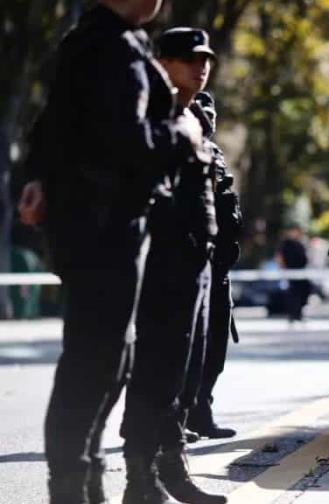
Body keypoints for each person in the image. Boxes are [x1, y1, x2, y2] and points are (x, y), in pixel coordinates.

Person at [17, 1, 205, 503]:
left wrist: (36, 177)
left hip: (100, 224)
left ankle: (85, 486)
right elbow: (127, 144)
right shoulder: (109, 48)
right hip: (103, 227)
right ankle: (73, 491)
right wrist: (182, 133)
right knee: (94, 361)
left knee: (109, 360)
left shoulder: (95, 41)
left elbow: (52, 124)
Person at [118, 27, 225, 504]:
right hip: (161, 258)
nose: (200, 67)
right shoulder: (148, 113)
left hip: (197, 260)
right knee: (155, 369)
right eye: (188, 59)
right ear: (162, 63)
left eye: (205, 59)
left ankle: (172, 467)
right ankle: (139, 477)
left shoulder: (196, 116)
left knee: (187, 368)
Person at [185, 90, 242, 442]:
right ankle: (174, 419)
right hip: (190, 261)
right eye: (201, 110)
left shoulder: (215, 153)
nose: (209, 117)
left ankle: (201, 411)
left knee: (215, 344)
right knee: (185, 345)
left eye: (211, 112)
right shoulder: (180, 146)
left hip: (219, 264)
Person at [276, 224, 311, 322]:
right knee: (292, 294)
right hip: (290, 273)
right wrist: (283, 270)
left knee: (303, 292)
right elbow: (279, 257)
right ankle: (293, 315)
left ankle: (299, 314)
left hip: (301, 273)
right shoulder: (285, 244)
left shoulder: (300, 244)